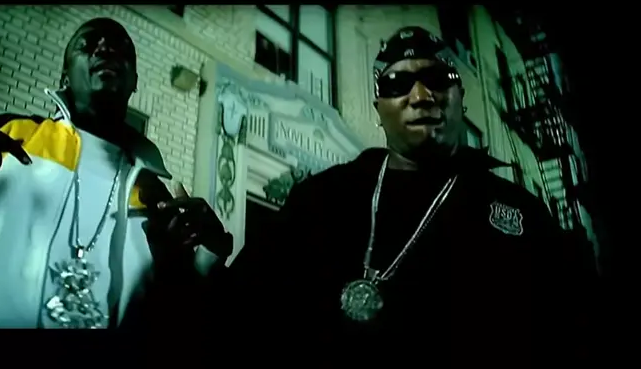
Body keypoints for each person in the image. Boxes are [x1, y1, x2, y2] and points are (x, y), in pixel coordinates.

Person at [162, 26, 598, 359]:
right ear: (378, 109)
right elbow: (247, 315)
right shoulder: (321, 199)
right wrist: (208, 258)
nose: (420, 95)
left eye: (437, 78)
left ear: (460, 95)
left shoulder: (520, 214)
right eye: (397, 84)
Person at [0, 17, 232, 329]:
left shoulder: (153, 193)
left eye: (121, 48)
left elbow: (175, 312)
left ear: (134, 81)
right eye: (88, 43)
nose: (105, 48)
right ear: (65, 76)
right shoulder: (7, 136)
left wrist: (209, 255)